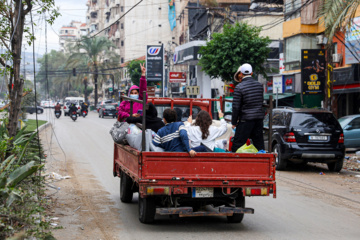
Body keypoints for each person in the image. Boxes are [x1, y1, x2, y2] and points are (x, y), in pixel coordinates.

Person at [231, 63, 265, 152]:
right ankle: (262, 163)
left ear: (241, 74)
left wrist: (234, 122)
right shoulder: (259, 86)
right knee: (259, 144)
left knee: (237, 144)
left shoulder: (239, 87)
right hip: (258, 119)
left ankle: (234, 164)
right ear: (252, 73)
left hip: (245, 120)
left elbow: (236, 107)